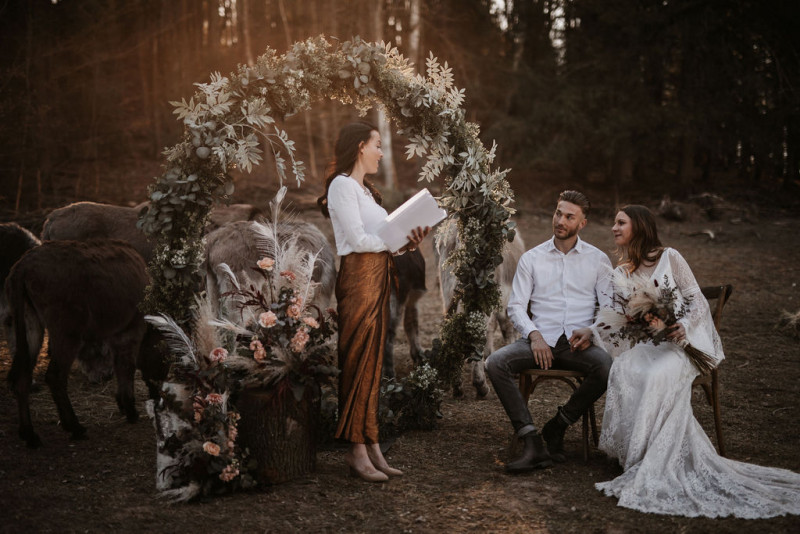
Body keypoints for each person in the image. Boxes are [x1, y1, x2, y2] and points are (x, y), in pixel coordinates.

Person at [571, 205, 800, 518]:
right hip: (655, 342)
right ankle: (635, 453)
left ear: (638, 226)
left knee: (655, 375)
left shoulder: (670, 257)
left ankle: (656, 454)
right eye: (614, 223)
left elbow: (697, 300)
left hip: (684, 343)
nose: (614, 228)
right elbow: (618, 319)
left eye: (620, 222)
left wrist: (683, 326)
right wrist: (591, 330)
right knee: (624, 367)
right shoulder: (622, 272)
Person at [318, 121, 429, 483]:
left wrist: (409, 241)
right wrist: (392, 240)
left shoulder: (368, 193)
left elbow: (381, 238)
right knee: (358, 359)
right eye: (377, 144)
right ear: (359, 147)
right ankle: (355, 450)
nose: (382, 152)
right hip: (359, 277)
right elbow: (358, 239)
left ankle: (372, 442)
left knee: (375, 361)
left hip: (381, 275)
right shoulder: (342, 187)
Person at [485, 190, 613, 473]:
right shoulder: (532, 258)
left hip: (577, 345)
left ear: (582, 223)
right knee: (495, 363)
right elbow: (516, 306)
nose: (561, 221)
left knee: (606, 367)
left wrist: (591, 331)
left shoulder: (599, 260)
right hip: (537, 341)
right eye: (558, 213)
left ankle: (557, 426)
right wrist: (534, 336)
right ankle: (531, 441)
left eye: (569, 216)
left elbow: (609, 310)